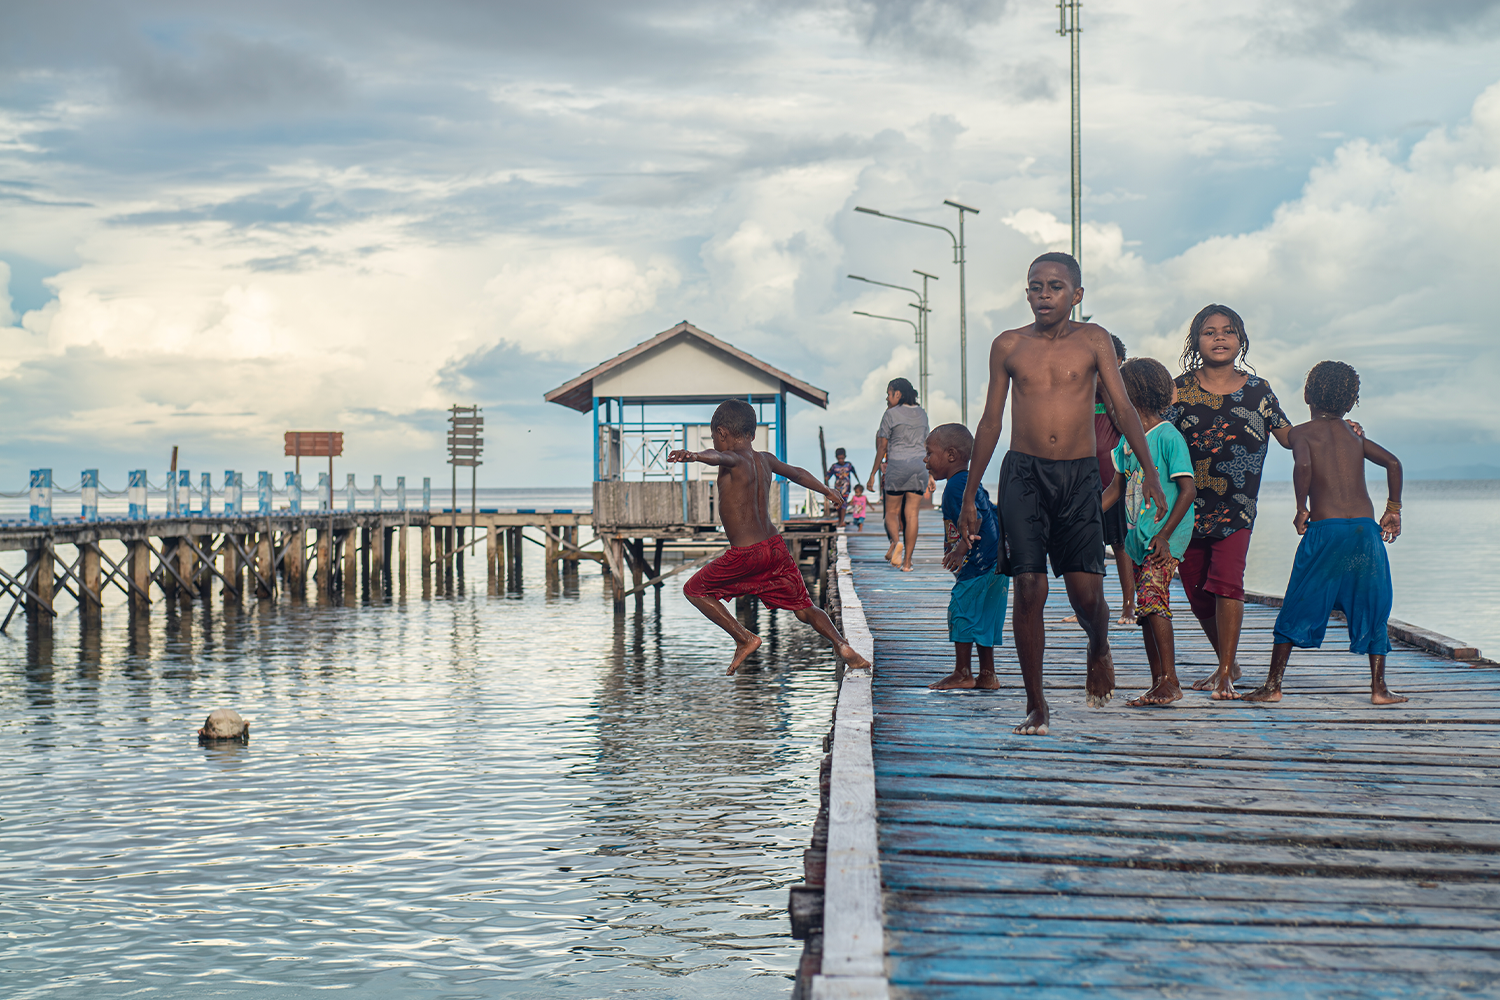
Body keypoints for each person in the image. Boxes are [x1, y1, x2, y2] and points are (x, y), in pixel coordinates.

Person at [960, 252, 1167, 736]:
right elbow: (991, 421)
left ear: (1077, 295)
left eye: (1055, 287)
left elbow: (1122, 408)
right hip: (1023, 476)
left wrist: (1151, 473)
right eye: (1035, 287)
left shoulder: (1093, 341)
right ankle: (1036, 702)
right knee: (1029, 586)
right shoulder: (1007, 346)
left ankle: (1099, 645)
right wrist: (972, 495)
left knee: (1086, 593)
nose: (1043, 295)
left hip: (1077, 479)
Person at [1243, 362, 1407, 705]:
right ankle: (1379, 689)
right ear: (1350, 402)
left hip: (1326, 530)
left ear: (1307, 396)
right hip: (1365, 531)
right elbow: (1393, 463)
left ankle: (1273, 685)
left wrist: (1302, 507)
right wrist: (1393, 508)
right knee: (1373, 603)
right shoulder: (1354, 435)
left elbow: (1302, 465)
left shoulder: (1302, 433)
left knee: (1299, 599)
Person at [669, 400, 871, 675]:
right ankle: (843, 645)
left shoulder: (732, 459)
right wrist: (826, 490)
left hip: (746, 553)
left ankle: (744, 637)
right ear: (752, 434)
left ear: (722, 432)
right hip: (775, 548)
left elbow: (718, 457)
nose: (715, 441)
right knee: (804, 607)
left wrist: (693, 456)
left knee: (693, 589)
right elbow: (798, 473)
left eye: (714, 436)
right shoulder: (766, 460)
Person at [1166, 305, 1293, 700]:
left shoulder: (1258, 390)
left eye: (1228, 331)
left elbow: (1288, 436)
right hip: (1185, 506)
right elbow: (1153, 436)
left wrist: (1334, 426)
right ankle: (1228, 659)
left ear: (1240, 340)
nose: (1219, 337)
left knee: (1227, 583)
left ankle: (1225, 671)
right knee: (1196, 589)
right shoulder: (1178, 389)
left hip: (1237, 505)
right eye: (1209, 332)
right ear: (1195, 341)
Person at [1100, 358, 1197, 707]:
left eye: (1114, 394)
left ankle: (1170, 680)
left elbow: (1188, 491)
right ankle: (1159, 681)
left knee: (1154, 601)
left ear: (1132, 395)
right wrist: (1081, 518)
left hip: (1164, 537)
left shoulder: (1168, 436)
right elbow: (1114, 489)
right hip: (1138, 539)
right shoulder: (1127, 442)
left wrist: (1166, 535)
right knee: (1146, 610)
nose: (1110, 402)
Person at [924, 423, 1011, 691]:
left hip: (979, 564)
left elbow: (978, 518)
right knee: (984, 617)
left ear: (951, 455)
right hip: (995, 563)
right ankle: (987, 674)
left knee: (960, 611)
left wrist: (961, 548)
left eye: (929, 453)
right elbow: (991, 511)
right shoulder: (968, 483)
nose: (925, 460)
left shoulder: (955, 487)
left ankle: (963, 672)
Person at [867, 377, 929, 572]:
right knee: (912, 514)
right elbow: (927, 445)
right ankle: (908, 563)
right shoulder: (922, 413)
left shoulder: (890, 414)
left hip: (897, 466)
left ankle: (895, 542)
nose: (887, 397)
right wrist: (932, 475)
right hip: (920, 467)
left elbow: (882, 446)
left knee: (891, 512)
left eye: (889, 393)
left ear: (898, 394)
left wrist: (872, 473)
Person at [824, 448, 859, 525]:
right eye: (839, 458)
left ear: (845, 457)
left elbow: (854, 473)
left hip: (846, 488)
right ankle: (840, 520)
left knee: (844, 504)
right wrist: (826, 481)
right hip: (837, 489)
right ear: (836, 458)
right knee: (838, 505)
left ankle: (842, 521)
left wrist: (858, 482)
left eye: (842, 458)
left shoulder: (849, 465)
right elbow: (827, 476)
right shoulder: (834, 467)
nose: (841, 460)